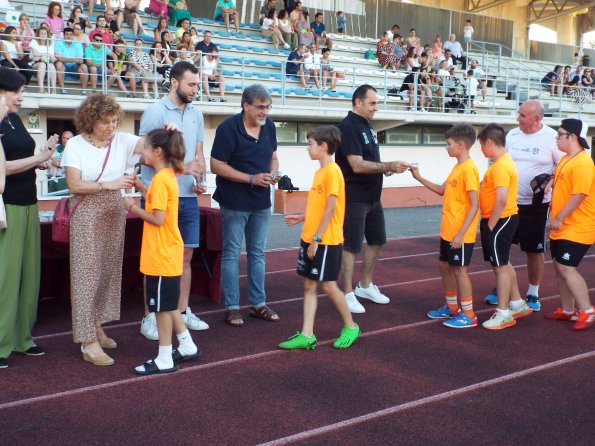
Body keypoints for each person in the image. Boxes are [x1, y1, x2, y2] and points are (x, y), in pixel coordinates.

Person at [62, 94, 141, 366]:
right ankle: (87, 341)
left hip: (113, 212)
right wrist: (109, 184)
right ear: (90, 121)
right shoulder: (74, 145)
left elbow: (152, 145)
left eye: (114, 121)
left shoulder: (122, 140)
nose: (111, 127)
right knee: (86, 275)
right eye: (105, 122)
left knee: (106, 271)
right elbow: (73, 185)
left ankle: (95, 325)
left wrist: (168, 130)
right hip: (86, 211)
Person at [139, 61, 209, 340]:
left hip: (189, 196)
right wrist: (183, 168)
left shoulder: (198, 114)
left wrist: (199, 177)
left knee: (186, 255)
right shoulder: (154, 112)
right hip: (161, 197)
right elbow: (146, 156)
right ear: (175, 82)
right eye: (191, 84)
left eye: (197, 84)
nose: (195, 89)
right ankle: (149, 317)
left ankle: (182, 311)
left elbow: (199, 155)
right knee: (158, 259)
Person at [125, 129, 203, 375]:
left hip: (161, 253)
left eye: (145, 148)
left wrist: (131, 207)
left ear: (158, 152)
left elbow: (157, 219)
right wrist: (141, 187)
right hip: (167, 251)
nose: (142, 152)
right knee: (168, 304)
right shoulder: (167, 175)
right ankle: (187, 345)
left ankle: (164, 357)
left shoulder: (161, 179)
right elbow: (158, 203)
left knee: (160, 307)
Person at [279, 125, 360, 350]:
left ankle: (351, 327)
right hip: (312, 237)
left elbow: (331, 209)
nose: (307, 148)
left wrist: (316, 238)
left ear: (323, 147)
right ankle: (307, 335)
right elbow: (319, 207)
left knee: (329, 286)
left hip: (326, 240)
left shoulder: (333, 172)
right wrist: (301, 218)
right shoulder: (320, 172)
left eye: (310, 144)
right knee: (308, 285)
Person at [0, 68, 59, 369]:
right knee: (6, 277)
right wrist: (38, 159)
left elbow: (23, 161)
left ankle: (23, 338)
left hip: (29, 203)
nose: (21, 96)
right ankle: (2, 343)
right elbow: (4, 168)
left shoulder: (14, 120)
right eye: (16, 91)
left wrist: (44, 158)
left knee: (28, 273)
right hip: (7, 207)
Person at [210, 84, 281, 326]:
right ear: (246, 106)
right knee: (231, 254)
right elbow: (216, 165)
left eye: (268, 107)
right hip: (234, 202)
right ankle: (232, 307)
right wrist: (250, 179)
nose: (265, 112)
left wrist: (273, 173)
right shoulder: (228, 128)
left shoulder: (269, 126)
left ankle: (258, 304)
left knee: (257, 253)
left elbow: (273, 156)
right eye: (261, 107)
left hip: (261, 202)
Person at [336, 85, 409, 313]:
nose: (376, 108)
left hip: (373, 196)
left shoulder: (368, 125)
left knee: (377, 240)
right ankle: (347, 293)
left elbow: (368, 161)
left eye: (377, 103)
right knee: (351, 245)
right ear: (358, 102)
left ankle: (365, 285)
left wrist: (384, 169)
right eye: (372, 103)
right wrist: (387, 165)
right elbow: (356, 165)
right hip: (354, 196)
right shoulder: (348, 127)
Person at [485, 100, 562, 311]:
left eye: (522, 116)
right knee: (502, 245)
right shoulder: (512, 135)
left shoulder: (552, 138)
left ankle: (533, 293)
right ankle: (503, 287)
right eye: (518, 114)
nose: (518, 119)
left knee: (533, 250)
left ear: (537, 118)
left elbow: (562, 167)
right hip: (509, 202)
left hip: (535, 204)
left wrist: (551, 182)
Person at [410, 124, 480, 328]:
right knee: (445, 267)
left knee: (460, 271)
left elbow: (475, 204)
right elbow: (442, 190)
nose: (446, 147)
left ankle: (469, 314)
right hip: (448, 230)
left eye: (448, 144)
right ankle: (452, 308)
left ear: (460, 145)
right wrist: (419, 177)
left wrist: (461, 233)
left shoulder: (469, 169)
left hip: (459, 233)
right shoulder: (457, 167)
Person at [477, 124, 533, 330]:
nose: (482, 150)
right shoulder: (503, 162)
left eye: (482, 145)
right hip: (503, 218)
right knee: (504, 262)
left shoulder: (500, 166)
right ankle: (517, 303)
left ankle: (503, 313)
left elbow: (500, 199)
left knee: (499, 267)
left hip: (500, 219)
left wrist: (490, 226)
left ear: (489, 142)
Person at [545, 119, 595, 330]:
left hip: (578, 225)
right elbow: (559, 178)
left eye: (560, 134)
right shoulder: (567, 158)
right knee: (559, 267)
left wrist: (558, 218)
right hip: (564, 226)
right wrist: (549, 184)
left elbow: (579, 195)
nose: (556, 138)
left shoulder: (583, 163)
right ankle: (567, 310)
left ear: (572, 136)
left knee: (566, 267)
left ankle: (587, 310)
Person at [55, 27, 89, 95]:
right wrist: (72, 59)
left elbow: (80, 60)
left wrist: (67, 59)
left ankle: (84, 90)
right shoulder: (58, 42)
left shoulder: (78, 43)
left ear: (73, 35)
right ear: (64, 35)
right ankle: (62, 89)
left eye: (71, 34)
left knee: (84, 66)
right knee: (59, 64)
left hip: (75, 67)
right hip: (64, 66)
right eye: (67, 34)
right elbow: (58, 58)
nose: (69, 36)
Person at [30, 27, 57, 94]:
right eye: (41, 33)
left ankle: (53, 89)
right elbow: (35, 54)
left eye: (45, 33)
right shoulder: (34, 41)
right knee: (42, 64)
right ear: (38, 34)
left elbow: (53, 57)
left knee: (51, 66)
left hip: (48, 62)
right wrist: (48, 54)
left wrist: (45, 55)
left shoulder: (51, 42)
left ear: (47, 34)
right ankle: (41, 89)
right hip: (36, 63)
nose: (43, 35)